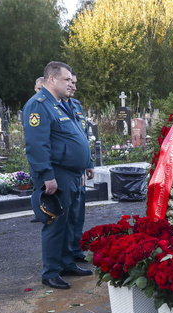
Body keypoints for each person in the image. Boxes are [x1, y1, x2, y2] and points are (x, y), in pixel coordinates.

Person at [24, 61, 93, 289]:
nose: (70, 83)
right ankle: (50, 271)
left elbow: (76, 136)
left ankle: (66, 263)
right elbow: (36, 145)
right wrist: (46, 175)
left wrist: (85, 162)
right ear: (51, 80)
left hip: (71, 173)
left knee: (68, 221)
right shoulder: (39, 105)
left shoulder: (61, 105)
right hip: (57, 173)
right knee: (55, 222)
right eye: (66, 80)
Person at [64, 71, 94, 262]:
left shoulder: (76, 106)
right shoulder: (55, 107)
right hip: (67, 171)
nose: (74, 86)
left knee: (78, 213)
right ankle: (66, 253)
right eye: (70, 82)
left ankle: (76, 249)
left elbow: (83, 136)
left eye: (75, 82)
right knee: (68, 215)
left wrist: (89, 163)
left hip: (80, 170)